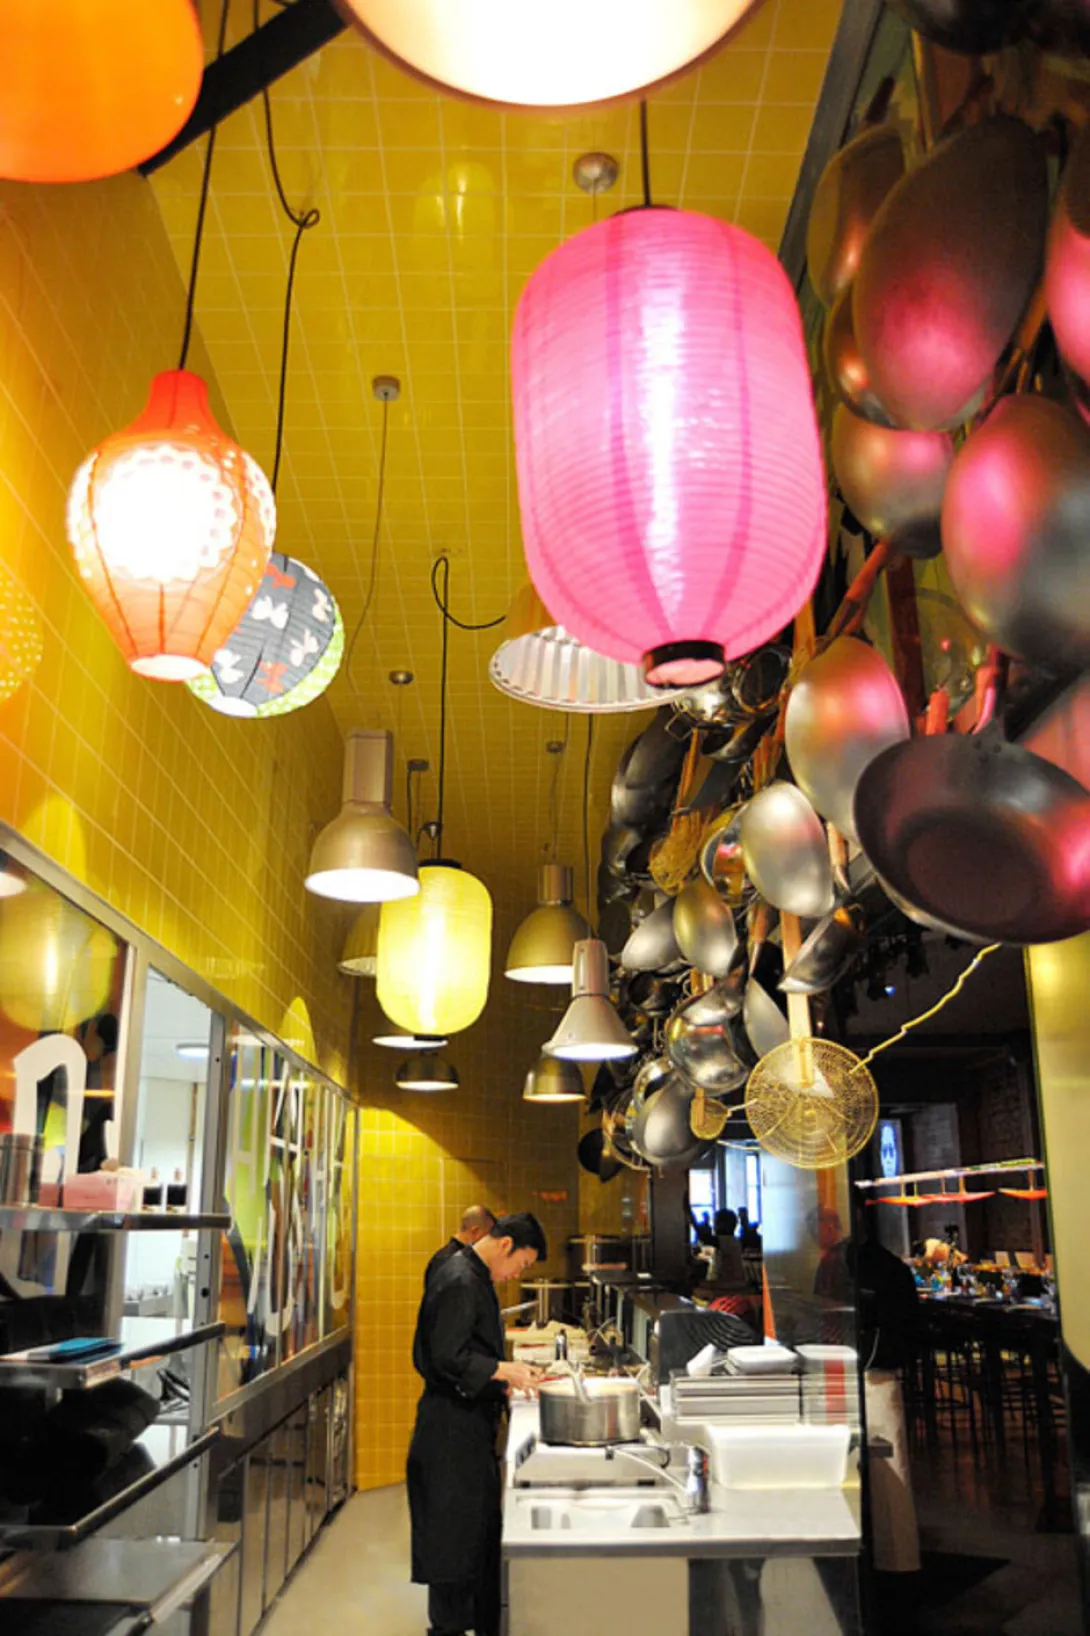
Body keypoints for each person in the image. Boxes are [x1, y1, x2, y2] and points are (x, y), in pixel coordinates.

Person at [408, 1212, 547, 1636]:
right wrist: (502, 1370)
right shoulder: (460, 1279)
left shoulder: (474, 1275)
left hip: (466, 1424)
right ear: (505, 1245)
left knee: (475, 1539)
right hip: (450, 1432)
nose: (516, 1275)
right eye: (521, 1264)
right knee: (453, 1547)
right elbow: (446, 1355)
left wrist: (504, 1379)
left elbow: (469, 1349)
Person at [424, 1204, 496, 1288]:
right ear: (475, 1231)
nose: (489, 1243)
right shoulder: (454, 1261)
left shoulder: (445, 1258)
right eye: (487, 1237)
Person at [712, 1208, 746, 1287]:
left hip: (726, 1286)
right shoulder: (735, 1241)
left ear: (723, 1225)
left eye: (715, 1223)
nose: (713, 1227)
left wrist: (692, 1219)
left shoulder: (725, 1240)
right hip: (734, 1284)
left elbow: (704, 1237)